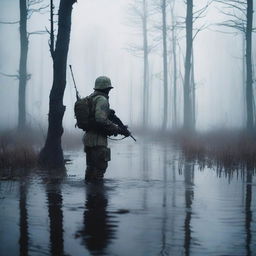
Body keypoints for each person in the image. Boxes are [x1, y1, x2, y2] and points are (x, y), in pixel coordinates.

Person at [83, 76, 130, 181]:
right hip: (98, 142)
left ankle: (91, 195)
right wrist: (118, 129)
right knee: (98, 171)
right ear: (106, 88)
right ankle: (97, 196)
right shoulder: (102, 99)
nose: (109, 91)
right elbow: (100, 119)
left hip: (88, 139)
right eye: (109, 88)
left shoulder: (91, 98)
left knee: (90, 170)